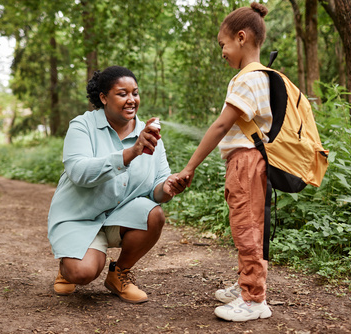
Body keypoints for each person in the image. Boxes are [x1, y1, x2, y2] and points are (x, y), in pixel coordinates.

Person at [47, 65, 185, 304]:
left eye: (135, 93)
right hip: (79, 216)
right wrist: (130, 153)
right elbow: (79, 172)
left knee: (155, 214)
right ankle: (67, 265)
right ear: (103, 98)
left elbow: (157, 188)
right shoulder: (82, 126)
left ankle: (118, 274)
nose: (131, 100)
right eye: (123, 94)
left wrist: (168, 187)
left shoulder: (149, 134)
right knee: (83, 273)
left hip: (119, 216)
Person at [174, 3, 273, 321]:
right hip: (252, 161)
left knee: (247, 227)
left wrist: (189, 167)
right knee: (250, 226)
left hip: (245, 161)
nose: (222, 52)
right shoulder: (263, 76)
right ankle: (248, 283)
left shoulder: (246, 79)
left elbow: (220, 126)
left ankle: (254, 299)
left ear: (241, 37)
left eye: (223, 44)